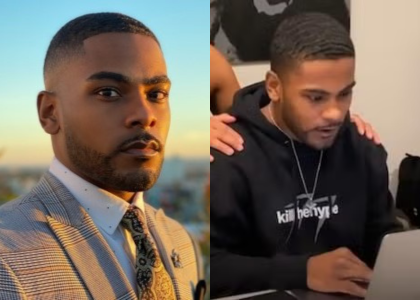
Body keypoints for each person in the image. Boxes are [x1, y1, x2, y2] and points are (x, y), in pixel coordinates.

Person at [0, 13, 202, 300]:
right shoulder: (7, 257)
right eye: (109, 92)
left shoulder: (180, 240)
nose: (145, 115)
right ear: (50, 113)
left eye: (156, 94)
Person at [210, 12, 402, 298]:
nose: (335, 113)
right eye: (316, 97)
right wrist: (303, 271)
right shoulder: (227, 158)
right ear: (274, 87)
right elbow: (204, 268)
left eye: (344, 94)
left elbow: (385, 245)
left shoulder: (363, 150)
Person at [210, 44, 380, 162]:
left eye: (344, 94)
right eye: (316, 97)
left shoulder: (209, 61)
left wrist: (337, 123)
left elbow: (242, 127)